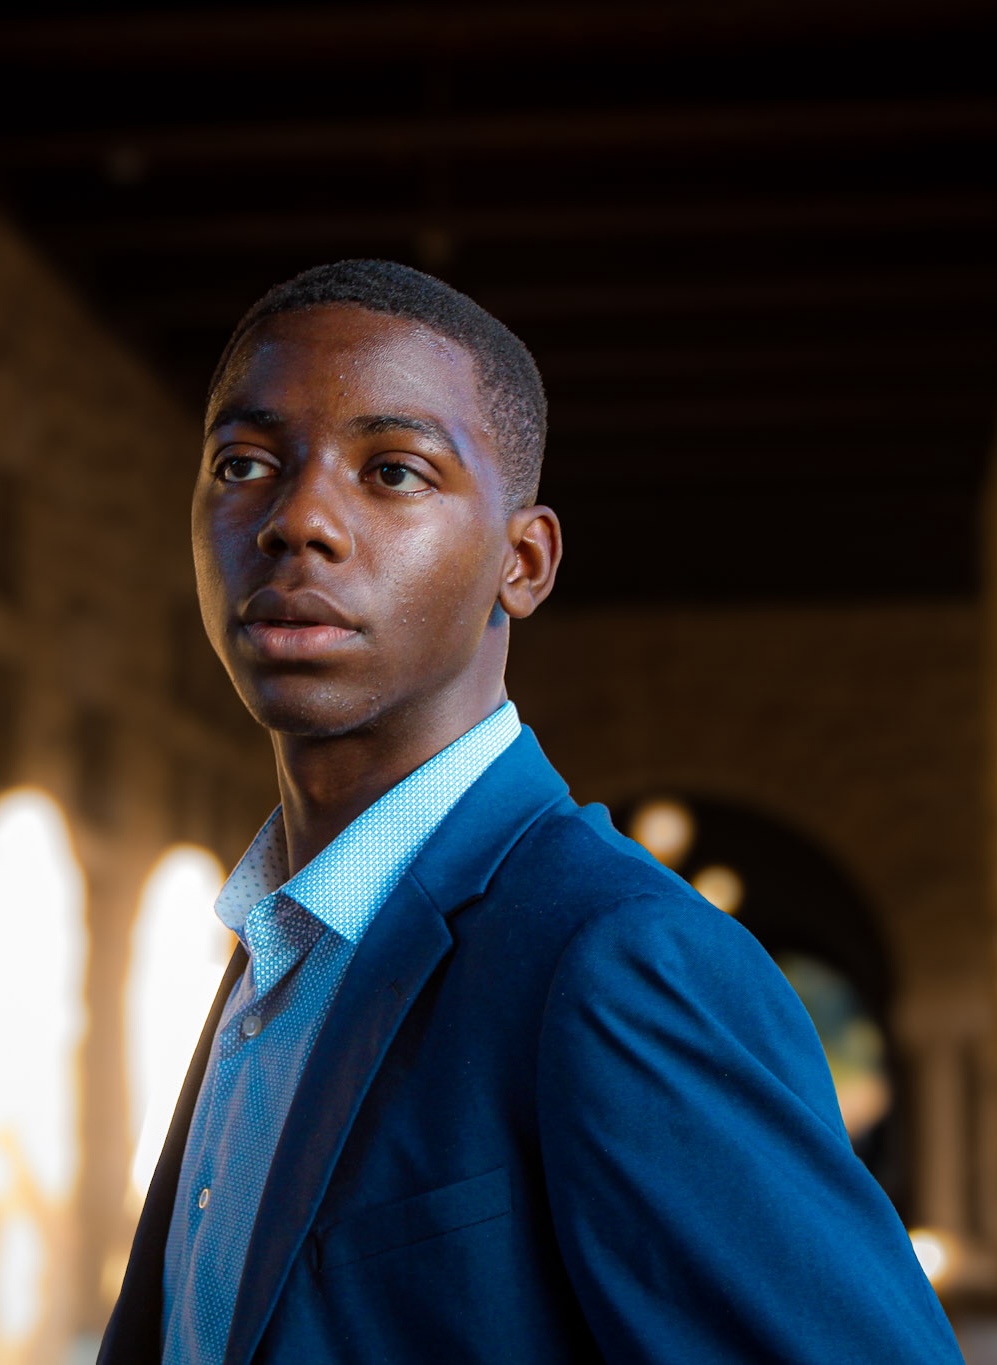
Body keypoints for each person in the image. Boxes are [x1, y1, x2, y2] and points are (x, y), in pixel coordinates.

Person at [101, 259, 963, 1363]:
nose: (298, 520)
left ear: (524, 561)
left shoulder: (619, 959)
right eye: (246, 463)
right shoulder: (278, 948)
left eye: (395, 472)